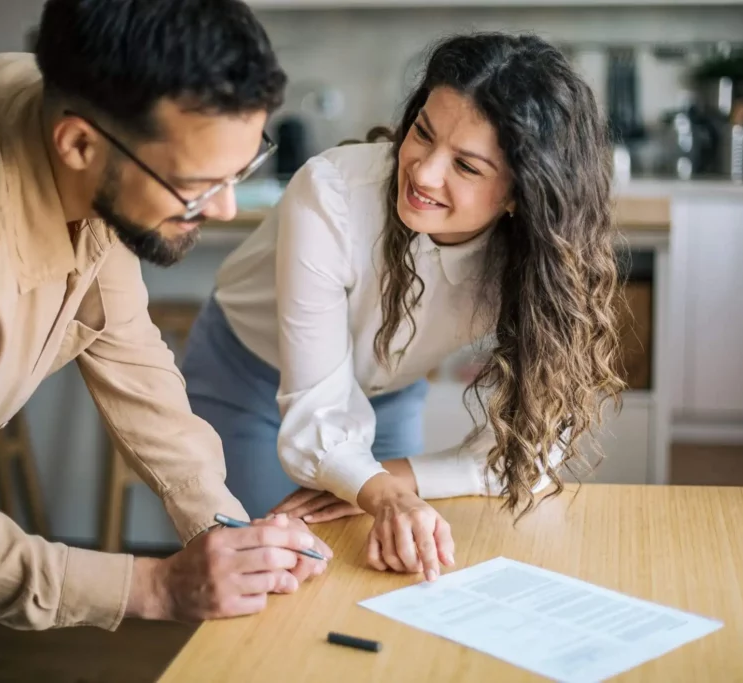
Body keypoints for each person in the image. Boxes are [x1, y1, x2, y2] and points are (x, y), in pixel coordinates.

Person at [0, 1, 331, 680]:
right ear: (79, 144)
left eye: (239, 170)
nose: (226, 209)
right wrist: (159, 586)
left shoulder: (84, 125)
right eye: (197, 185)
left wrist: (221, 526)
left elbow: (129, 347)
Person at [181, 32, 625, 585]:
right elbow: (316, 414)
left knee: (390, 575)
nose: (423, 173)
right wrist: (374, 485)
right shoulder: (332, 193)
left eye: (466, 166)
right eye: (422, 133)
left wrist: (387, 480)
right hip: (245, 380)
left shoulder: (541, 255)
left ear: (520, 194)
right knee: (267, 580)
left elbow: (531, 451)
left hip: (387, 398)